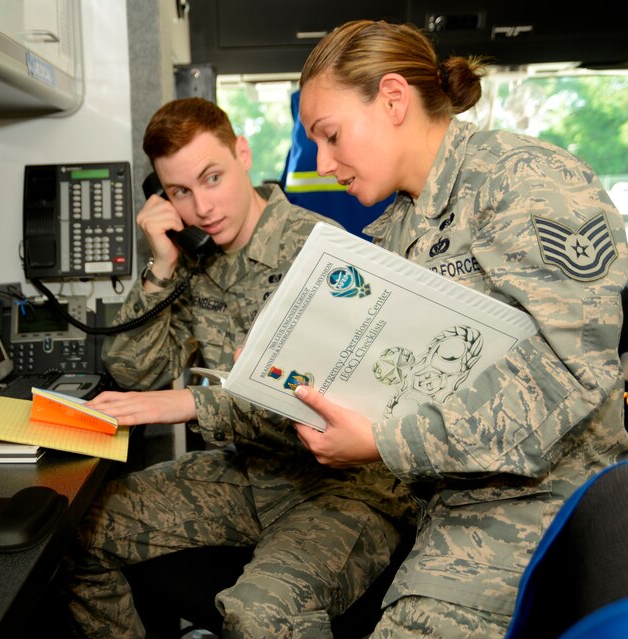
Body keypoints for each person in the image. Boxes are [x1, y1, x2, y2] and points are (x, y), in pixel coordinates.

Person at [293, 19, 628, 639]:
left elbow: (564, 376)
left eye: (331, 135)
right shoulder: (396, 228)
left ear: (394, 99)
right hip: (448, 499)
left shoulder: (526, 183)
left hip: (539, 506)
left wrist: (383, 442)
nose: (322, 163)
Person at [64, 97, 417, 638]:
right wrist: (161, 264)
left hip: (342, 489)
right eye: (180, 191)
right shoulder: (195, 260)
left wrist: (188, 403)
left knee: (259, 616)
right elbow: (137, 373)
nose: (202, 207)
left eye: (212, 178)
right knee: (78, 531)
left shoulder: (323, 252)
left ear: (243, 155)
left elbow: (321, 405)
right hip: (249, 474)